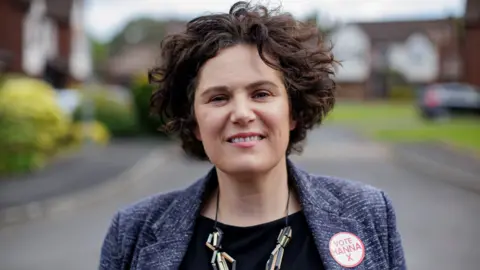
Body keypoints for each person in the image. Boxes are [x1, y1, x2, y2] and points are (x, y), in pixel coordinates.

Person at [99, 2, 406, 269]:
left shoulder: (368, 212)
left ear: (293, 112)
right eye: (218, 98)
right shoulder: (133, 230)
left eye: (261, 93)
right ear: (194, 122)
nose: (242, 113)